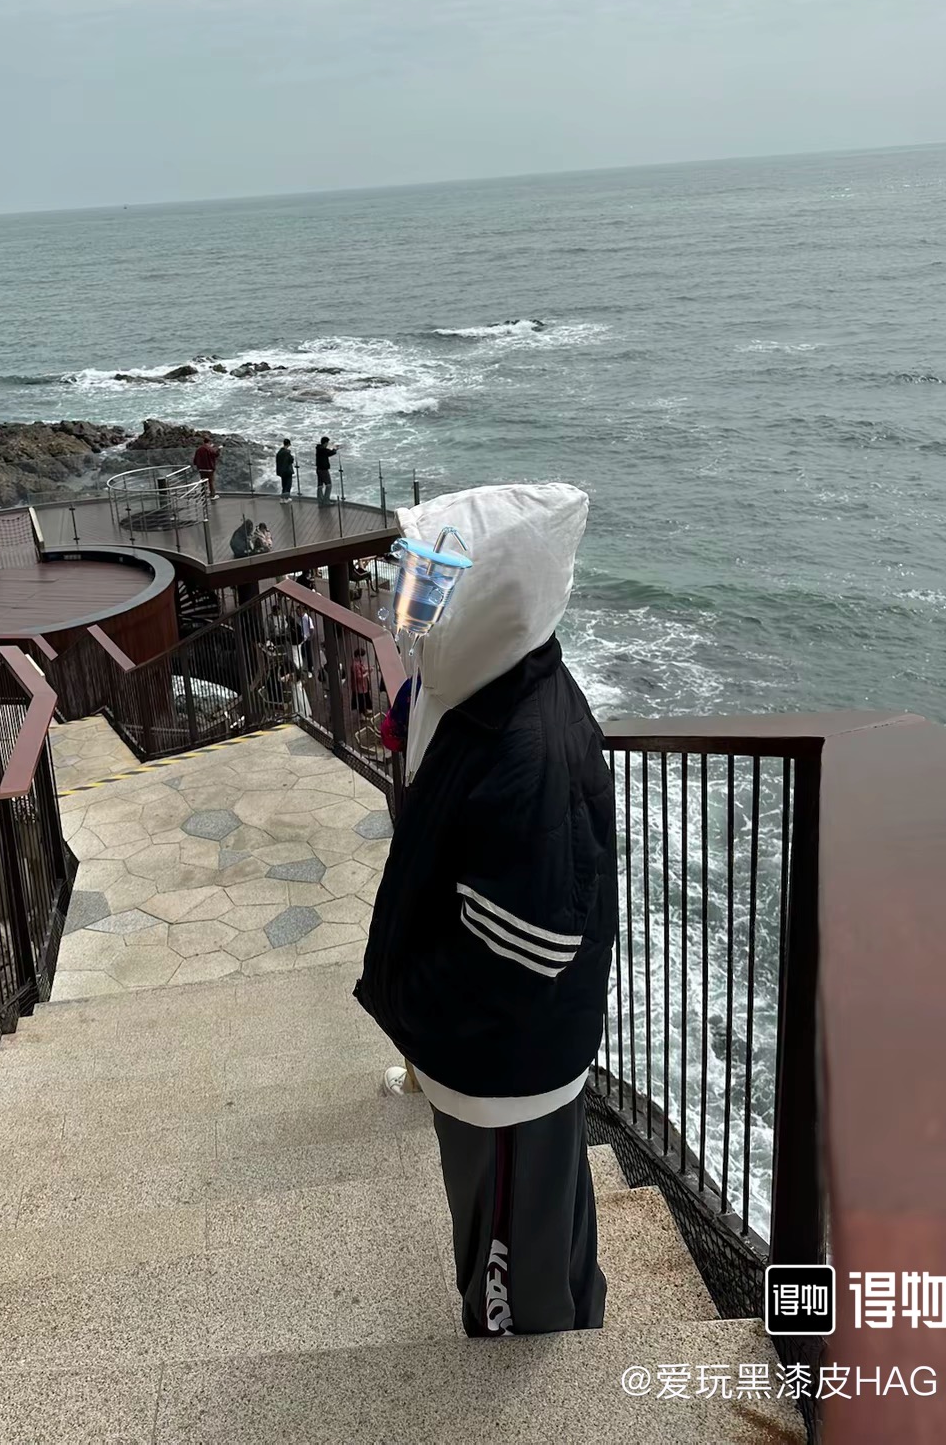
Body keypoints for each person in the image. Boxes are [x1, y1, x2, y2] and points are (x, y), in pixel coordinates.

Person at [356, 482, 615, 1339]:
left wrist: (414, 1006)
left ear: (492, 596)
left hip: (501, 1068)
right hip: (499, 1057)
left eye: (434, 584)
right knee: (540, 1204)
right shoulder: (484, 678)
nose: (412, 607)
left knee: (505, 1238)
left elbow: (526, 951)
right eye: (414, 579)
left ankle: (527, 1346)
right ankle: (570, 1311)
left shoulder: (532, 753)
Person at [193, 434, 221, 500]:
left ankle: (204, 495)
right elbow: (216, 454)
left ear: (203, 442)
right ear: (209, 442)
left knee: (203, 483)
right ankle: (213, 496)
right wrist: (219, 449)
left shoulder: (199, 449)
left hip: (201, 469)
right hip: (209, 469)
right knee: (211, 483)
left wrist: (197, 465)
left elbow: (195, 459)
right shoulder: (210, 449)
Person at [350, 647, 373, 716]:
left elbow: (362, 669)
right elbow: (359, 677)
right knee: (361, 700)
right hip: (359, 687)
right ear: (358, 656)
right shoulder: (355, 665)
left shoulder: (358, 663)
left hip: (362, 686)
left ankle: (365, 711)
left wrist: (368, 669)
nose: (363, 658)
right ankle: (361, 714)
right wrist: (368, 673)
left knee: (364, 698)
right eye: (362, 656)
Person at [315, 435, 337, 504]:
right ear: (325, 443)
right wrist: (335, 449)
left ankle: (320, 500)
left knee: (320, 485)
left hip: (318, 469)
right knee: (328, 485)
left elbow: (327, 453)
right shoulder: (323, 450)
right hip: (323, 470)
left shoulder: (319, 449)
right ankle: (326, 500)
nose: (327, 444)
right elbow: (331, 453)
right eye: (327, 443)